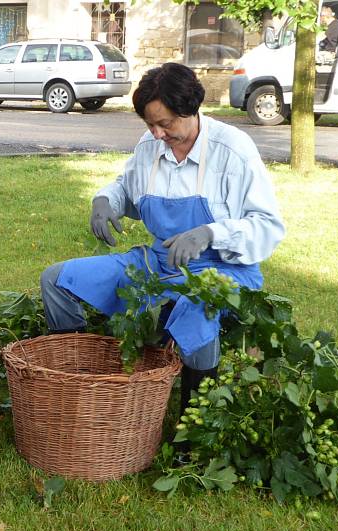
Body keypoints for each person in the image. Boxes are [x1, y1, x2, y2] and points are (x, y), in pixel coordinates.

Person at [40, 62, 285, 412]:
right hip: (155, 264)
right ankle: (79, 378)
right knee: (57, 280)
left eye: (165, 124)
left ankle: (195, 421)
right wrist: (105, 200)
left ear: (191, 109)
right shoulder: (150, 145)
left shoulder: (233, 150)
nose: (156, 134)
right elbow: (128, 187)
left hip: (221, 271)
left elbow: (268, 225)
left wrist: (209, 233)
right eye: (150, 124)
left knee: (194, 307)